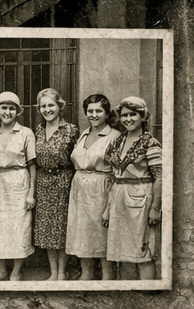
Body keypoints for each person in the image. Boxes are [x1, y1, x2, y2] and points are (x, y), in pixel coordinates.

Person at [103, 95, 163, 280]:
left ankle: (147, 297)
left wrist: (155, 209)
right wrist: (107, 208)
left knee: (143, 252)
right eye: (124, 115)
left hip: (140, 200)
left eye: (133, 115)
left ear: (143, 117)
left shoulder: (150, 143)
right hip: (119, 200)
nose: (128, 119)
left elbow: (160, 177)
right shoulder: (118, 142)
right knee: (123, 253)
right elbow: (113, 176)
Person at [0, 91, 38, 280]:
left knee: (19, 226)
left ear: (17, 111)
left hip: (18, 183)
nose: (7, 112)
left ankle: (16, 271)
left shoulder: (26, 133)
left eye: (11, 108)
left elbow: (33, 165)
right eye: (3, 108)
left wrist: (31, 193)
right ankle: (1, 270)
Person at [67, 93, 117, 280]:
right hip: (80, 190)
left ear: (107, 113)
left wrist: (109, 207)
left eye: (98, 111)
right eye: (90, 111)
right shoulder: (84, 134)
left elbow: (117, 173)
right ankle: (86, 276)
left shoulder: (114, 136)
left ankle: (107, 278)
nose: (94, 115)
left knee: (102, 236)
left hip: (102, 189)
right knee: (83, 235)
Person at [33, 87, 79, 280]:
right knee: (47, 231)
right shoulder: (39, 129)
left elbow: (78, 158)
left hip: (64, 182)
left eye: (51, 105)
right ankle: (53, 273)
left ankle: (62, 272)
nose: (47, 109)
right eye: (43, 106)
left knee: (62, 229)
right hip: (43, 182)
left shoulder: (71, 130)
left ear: (59, 106)